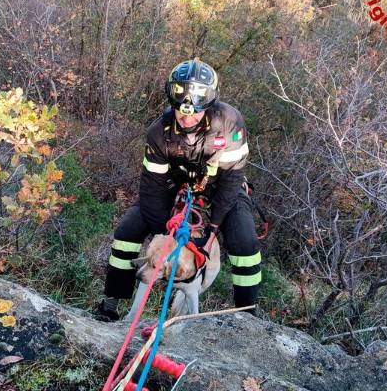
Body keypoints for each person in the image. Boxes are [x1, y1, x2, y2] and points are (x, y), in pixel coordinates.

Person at [95, 58, 262, 321]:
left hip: (221, 187)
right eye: (181, 112)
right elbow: (152, 190)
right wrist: (164, 236)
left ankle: (249, 316)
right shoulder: (159, 133)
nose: (187, 118)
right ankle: (110, 304)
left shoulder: (229, 123)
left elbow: (231, 181)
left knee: (245, 242)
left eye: (194, 112)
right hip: (175, 185)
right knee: (127, 232)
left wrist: (212, 230)